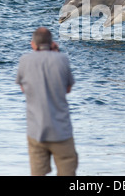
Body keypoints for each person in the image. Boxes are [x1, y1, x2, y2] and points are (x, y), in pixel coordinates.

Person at [16, 27, 78, 176]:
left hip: (36, 132)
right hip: (61, 132)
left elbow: (23, 89)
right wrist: (55, 53)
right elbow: (68, 89)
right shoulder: (62, 59)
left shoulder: (24, 60)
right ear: (52, 43)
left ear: (33, 44)